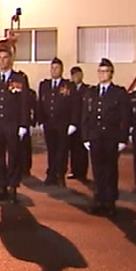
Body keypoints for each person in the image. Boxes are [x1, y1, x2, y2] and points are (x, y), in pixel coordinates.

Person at [81, 58, 130, 217]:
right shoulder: (91, 92)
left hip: (111, 137)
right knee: (97, 170)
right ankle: (98, 200)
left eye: (106, 71)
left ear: (111, 73)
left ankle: (110, 201)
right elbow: (86, 116)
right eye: (100, 71)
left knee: (110, 170)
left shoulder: (119, 93)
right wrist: (86, 136)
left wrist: (123, 139)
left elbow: (125, 117)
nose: (102, 74)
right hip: (95, 137)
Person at [0, 46, 30, 203]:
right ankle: (1, 186)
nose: (2, 61)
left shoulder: (19, 78)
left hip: (12, 124)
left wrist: (24, 124)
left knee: (14, 156)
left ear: (11, 59)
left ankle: (12, 187)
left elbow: (24, 102)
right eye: (0, 57)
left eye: (5, 57)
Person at [36, 57, 80, 187]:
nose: (54, 70)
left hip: (63, 124)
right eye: (52, 68)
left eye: (57, 68)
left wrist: (73, 123)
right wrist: (40, 120)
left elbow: (75, 105)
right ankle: (51, 174)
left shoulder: (69, 85)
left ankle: (60, 175)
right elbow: (40, 103)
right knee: (51, 150)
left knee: (62, 150)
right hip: (49, 123)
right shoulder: (44, 85)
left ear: (62, 70)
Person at [67, 66, 90, 180]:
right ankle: (74, 170)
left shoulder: (88, 89)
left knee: (83, 149)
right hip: (71, 123)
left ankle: (82, 172)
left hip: (83, 124)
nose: (76, 77)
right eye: (73, 75)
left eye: (78, 74)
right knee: (73, 148)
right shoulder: (68, 88)